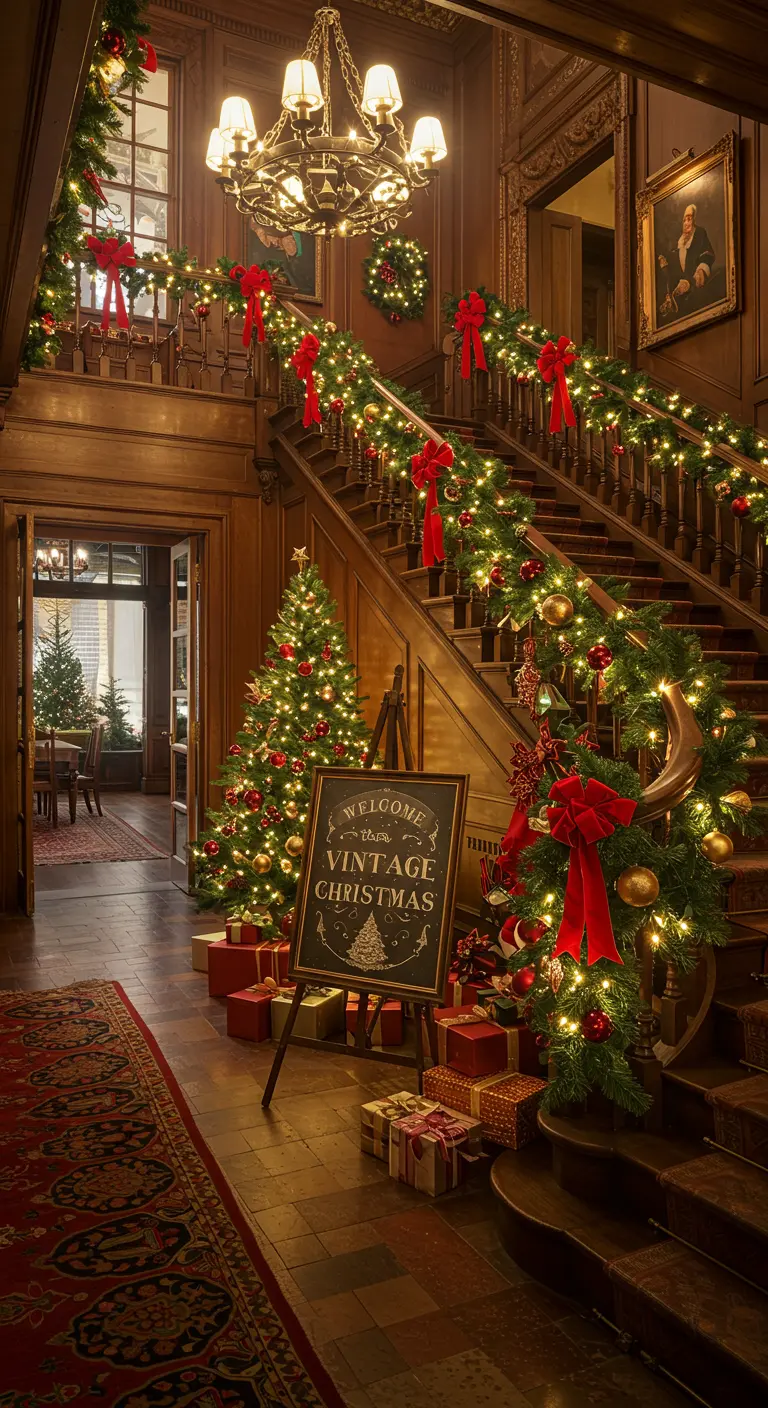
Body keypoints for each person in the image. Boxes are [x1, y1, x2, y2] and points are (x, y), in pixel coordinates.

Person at [657, 204, 715, 320]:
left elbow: (707, 254)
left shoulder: (699, 233)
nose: (686, 223)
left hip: (696, 286)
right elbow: (674, 266)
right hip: (680, 292)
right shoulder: (679, 242)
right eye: (684, 220)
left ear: (694, 220)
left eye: (689, 219)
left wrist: (701, 271)